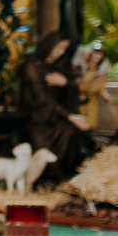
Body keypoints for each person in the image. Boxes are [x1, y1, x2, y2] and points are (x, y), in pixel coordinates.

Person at [17, 31, 92, 184]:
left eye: (65, 49)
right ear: (49, 45)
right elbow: (42, 99)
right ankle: (55, 181)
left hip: (57, 118)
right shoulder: (32, 66)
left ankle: (67, 177)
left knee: (70, 133)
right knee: (41, 144)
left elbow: (73, 88)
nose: (61, 52)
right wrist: (71, 116)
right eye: (59, 47)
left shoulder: (62, 65)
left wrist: (66, 83)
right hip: (35, 120)